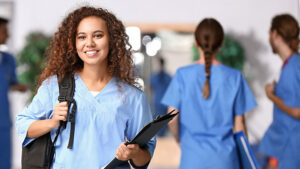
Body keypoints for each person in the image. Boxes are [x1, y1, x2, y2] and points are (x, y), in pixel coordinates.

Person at [16, 6, 155, 169]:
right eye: (82, 37)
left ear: (112, 40)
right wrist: (51, 122)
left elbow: (144, 157)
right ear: (73, 43)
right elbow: (23, 125)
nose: (89, 43)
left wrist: (133, 153)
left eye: (98, 35)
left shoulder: (133, 97)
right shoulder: (55, 86)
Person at [161, 18, 257, 169]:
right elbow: (240, 126)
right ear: (221, 43)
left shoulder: (182, 75)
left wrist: (180, 140)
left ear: (196, 43)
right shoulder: (234, 77)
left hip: (192, 159)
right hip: (226, 160)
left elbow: (171, 118)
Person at [259, 14, 300, 169]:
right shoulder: (289, 65)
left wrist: (271, 97)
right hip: (285, 147)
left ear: (275, 34)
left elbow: (297, 112)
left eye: (270, 33)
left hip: (292, 149)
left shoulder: (293, 66)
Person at [0, 17, 27, 169]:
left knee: (4, 163)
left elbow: (12, 83)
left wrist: (22, 86)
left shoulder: (9, 60)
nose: (8, 35)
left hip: (3, 121)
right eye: (4, 31)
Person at [150, 57, 171, 137]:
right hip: (165, 102)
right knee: (164, 121)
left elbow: (151, 88)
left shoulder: (154, 77)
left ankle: (159, 138)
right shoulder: (168, 77)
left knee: (158, 121)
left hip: (157, 101)